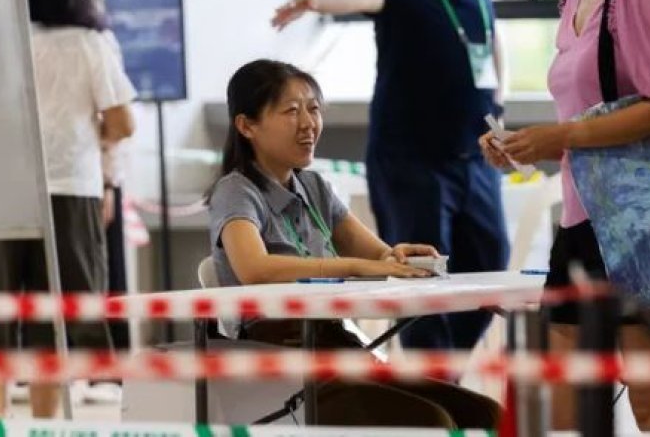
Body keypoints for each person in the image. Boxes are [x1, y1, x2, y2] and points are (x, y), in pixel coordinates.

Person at [272, 0, 509, 352]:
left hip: (475, 154)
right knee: (421, 274)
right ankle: (433, 384)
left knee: (492, 264)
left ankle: (447, 371)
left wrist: (499, 103)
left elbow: (490, 42)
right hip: (412, 162)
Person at [480, 0, 650, 430]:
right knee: (563, 414)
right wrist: (526, 146)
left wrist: (561, 136)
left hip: (640, 229)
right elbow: (583, 118)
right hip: (581, 222)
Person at [208, 59, 500, 429]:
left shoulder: (314, 187)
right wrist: (354, 266)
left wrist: (397, 255)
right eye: (291, 111)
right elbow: (254, 269)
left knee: (485, 414)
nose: (308, 124)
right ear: (246, 125)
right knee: (432, 422)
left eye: (313, 109)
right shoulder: (235, 190)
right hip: (278, 363)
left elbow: (376, 254)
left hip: (336, 347)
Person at [0, 0, 136, 417]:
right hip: (70, 188)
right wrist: (97, 160)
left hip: (2, 188)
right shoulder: (90, 43)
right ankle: (44, 421)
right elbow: (122, 123)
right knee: (57, 311)